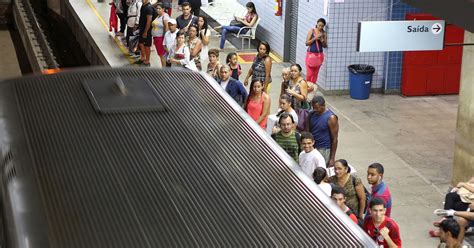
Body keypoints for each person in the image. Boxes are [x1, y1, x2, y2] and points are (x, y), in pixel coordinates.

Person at [307, 95, 338, 167]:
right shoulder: (311, 114)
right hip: (312, 147)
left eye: (317, 108)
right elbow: (308, 131)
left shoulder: (331, 118)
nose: (315, 110)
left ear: (323, 105)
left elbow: (335, 139)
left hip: (324, 149)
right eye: (313, 107)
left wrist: (332, 158)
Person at [305, 18, 327, 84]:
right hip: (310, 55)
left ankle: (312, 89)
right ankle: (306, 88)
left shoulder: (324, 33)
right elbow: (306, 43)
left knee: (315, 74)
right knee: (309, 74)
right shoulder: (311, 31)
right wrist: (315, 38)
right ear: (316, 24)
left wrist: (322, 40)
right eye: (319, 25)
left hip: (319, 56)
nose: (320, 27)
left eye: (322, 26)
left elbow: (324, 46)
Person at [134, 0, 154, 66]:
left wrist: (145, 31)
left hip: (147, 30)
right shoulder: (143, 5)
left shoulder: (149, 8)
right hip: (142, 29)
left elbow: (149, 21)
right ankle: (143, 58)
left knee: (147, 46)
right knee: (141, 43)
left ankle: (147, 61)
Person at [151, 3, 169, 67]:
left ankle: (164, 70)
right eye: (157, 8)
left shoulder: (165, 16)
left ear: (163, 9)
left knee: (162, 55)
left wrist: (165, 40)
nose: (157, 10)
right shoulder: (158, 16)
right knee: (160, 55)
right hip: (157, 38)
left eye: (159, 8)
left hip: (160, 39)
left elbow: (166, 28)